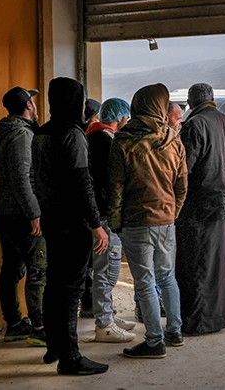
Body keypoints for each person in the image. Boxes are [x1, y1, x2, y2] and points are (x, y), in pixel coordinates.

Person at [32, 77, 109, 375]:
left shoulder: (41, 133)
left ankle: (54, 346)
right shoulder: (73, 134)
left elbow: (36, 177)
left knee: (54, 286)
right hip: (72, 222)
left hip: (50, 218)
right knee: (70, 291)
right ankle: (71, 358)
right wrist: (96, 224)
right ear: (75, 101)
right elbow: (82, 183)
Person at [108, 83, 188, 359]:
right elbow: (182, 185)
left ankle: (154, 341)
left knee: (144, 283)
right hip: (166, 221)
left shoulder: (123, 141)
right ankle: (175, 332)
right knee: (167, 277)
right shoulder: (173, 140)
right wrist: (172, 214)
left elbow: (115, 188)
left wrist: (115, 223)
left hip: (137, 221)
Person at [176, 83, 225, 336]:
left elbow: (184, 169)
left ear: (191, 102)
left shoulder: (195, 125)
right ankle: (223, 315)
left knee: (196, 265)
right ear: (212, 99)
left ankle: (198, 321)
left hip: (200, 207)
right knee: (220, 264)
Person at [0, 87, 47, 346]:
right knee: (39, 269)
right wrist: (34, 213)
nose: (35, 105)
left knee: (11, 269)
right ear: (28, 105)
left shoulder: (3, 133)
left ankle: (14, 325)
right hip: (21, 213)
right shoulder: (22, 134)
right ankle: (40, 328)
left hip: (4, 211)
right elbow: (22, 178)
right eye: (32, 101)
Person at [85, 98, 136, 342]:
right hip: (104, 215)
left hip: (101, 214)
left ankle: (107, 316)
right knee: (106, 269)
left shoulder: (95, 136)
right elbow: (109, 183)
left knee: (106, 268)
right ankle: (104, 323)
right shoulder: (104, 142)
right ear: (121, 117)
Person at [78, 97, 103, 318]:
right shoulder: (82, 138)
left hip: (77, 209)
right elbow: (86, 183)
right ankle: (89, 303)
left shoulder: (80, 136)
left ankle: (88, 302)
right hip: (85, 209)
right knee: (88, 261)